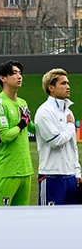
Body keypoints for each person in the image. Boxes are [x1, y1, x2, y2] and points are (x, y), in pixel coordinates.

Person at [0, 60, 34, 206]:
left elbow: (32, 128)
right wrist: (21, 124)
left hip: (26, 170)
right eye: (14, 73)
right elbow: (5, 136)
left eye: (20, 73)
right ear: (3, 78)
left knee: (21, 220)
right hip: (6, 171)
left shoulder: (22, 103)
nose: (19, 76)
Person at [33, 68, 81, 205]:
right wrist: (71, 127)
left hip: (70, 176)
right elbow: (55, 141)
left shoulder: (69, 111)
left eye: (68, 83)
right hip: (51, 176)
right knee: (48, 221)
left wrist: (77, 171)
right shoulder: (44, 111)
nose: (68, 87)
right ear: (51, 88)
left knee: (71, 221)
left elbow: (73, 147)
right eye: (63, 83)